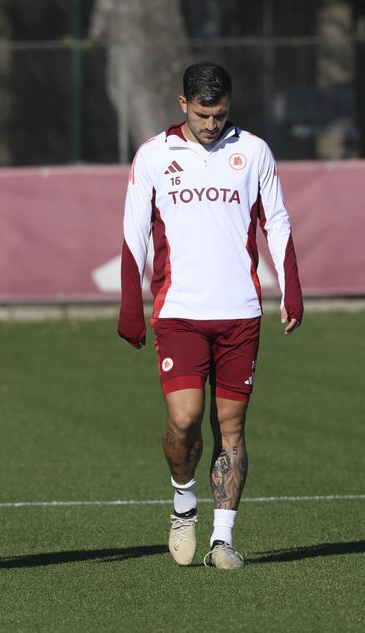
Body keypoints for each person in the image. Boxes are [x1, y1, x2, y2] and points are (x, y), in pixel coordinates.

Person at [118, 61, 303, 570]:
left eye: (220, 115)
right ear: (183, 105)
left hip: (240, 314)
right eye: (203, 115)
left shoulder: (254, 152)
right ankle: (183, 503)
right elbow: (134, 232)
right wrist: (130, 306)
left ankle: (222, 539)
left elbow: (278, 222)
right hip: (179, 312)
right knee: (184, 419)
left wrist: (291, 289)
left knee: (232, 426)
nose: (212, 124)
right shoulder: (154, 156)